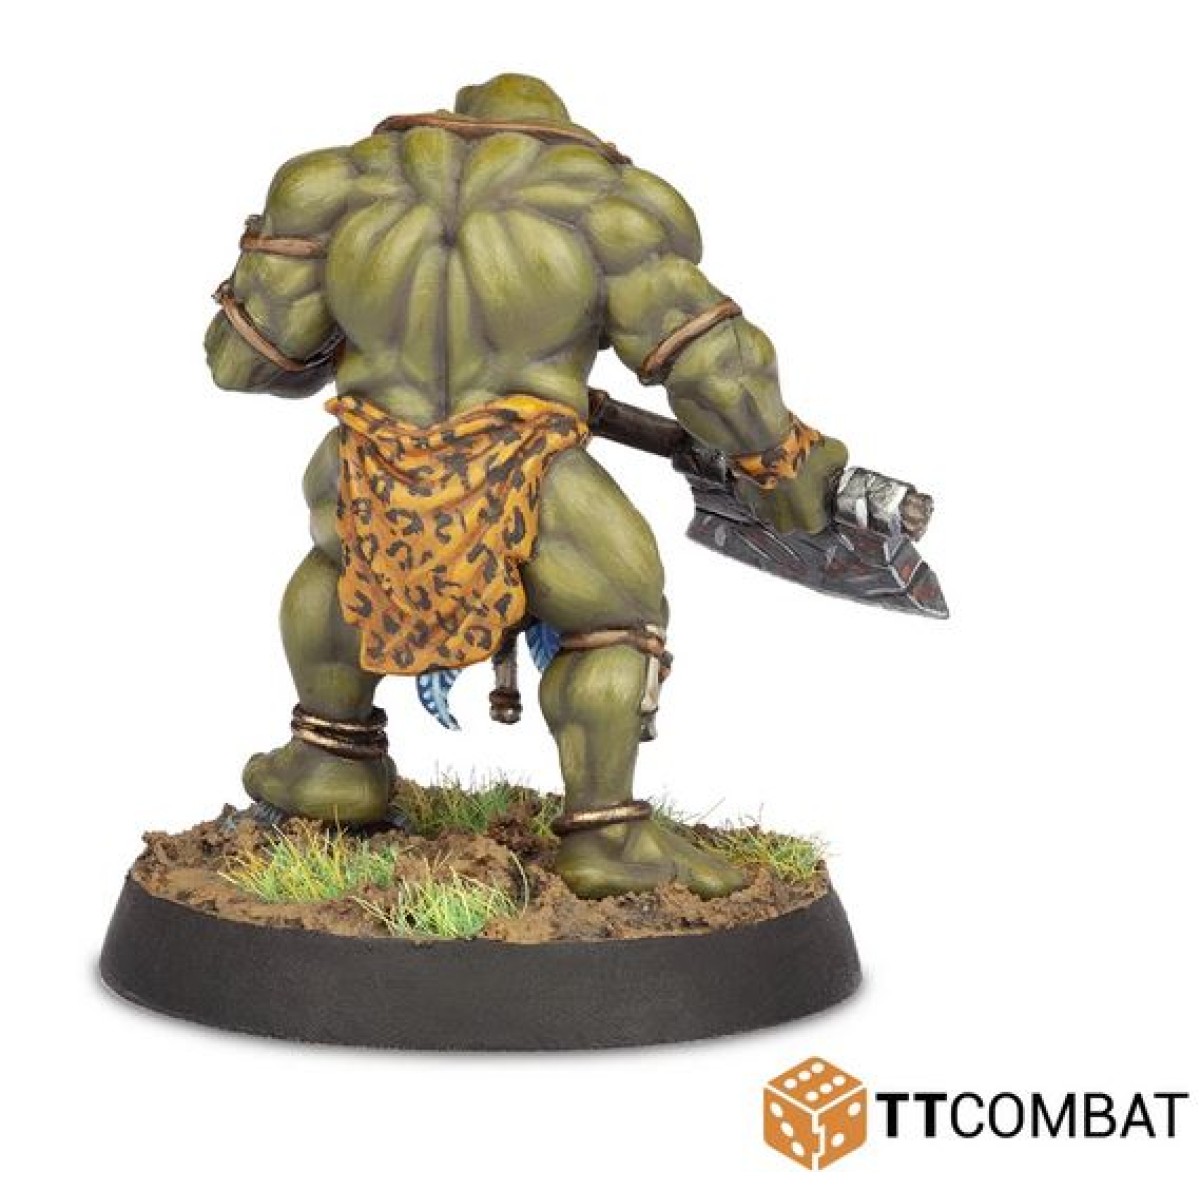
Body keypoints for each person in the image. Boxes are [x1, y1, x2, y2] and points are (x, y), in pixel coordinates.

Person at [204, 73, 847, 898]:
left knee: (339, 566)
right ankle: (607, 834)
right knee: (616, 617)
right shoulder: (605, 205)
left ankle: (328, 759)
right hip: (533, 472)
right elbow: (716, 369)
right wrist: (781, 459)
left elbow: (244, 359)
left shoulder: (332, 186)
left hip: (367, 462)